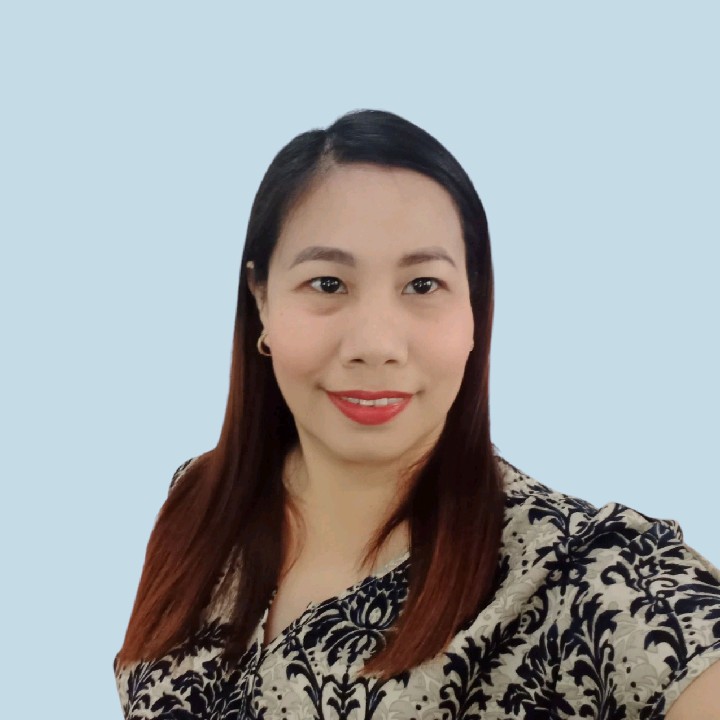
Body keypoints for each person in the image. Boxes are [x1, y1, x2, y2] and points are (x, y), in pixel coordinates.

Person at [113, 109, 720, 719]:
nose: (376, 344)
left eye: (423, 285)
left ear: (474, 309)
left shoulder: (583, 577)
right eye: (328, 284)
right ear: (262, 299)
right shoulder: (199, 502)